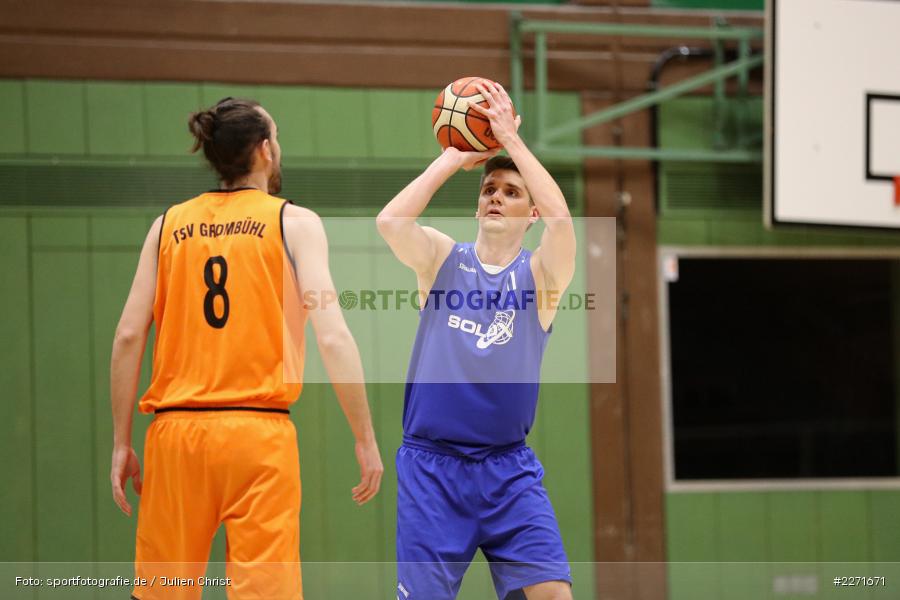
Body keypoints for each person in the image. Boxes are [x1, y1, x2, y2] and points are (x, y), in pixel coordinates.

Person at [110, 97, 383, 600]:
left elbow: (128, 335)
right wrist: (364, 436)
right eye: (275, 138)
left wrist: (121, 441)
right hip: (259, 436)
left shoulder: (167, 225)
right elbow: (333, 335)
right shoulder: (294, 222)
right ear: (262, 150)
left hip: (175, 436)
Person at [377, 81, 576, 600]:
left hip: (507, 470)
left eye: (511, 193)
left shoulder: (540, 278)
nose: (496, 197)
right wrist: (454, 156)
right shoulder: (444, 259)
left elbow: (562, 221)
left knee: (554, 594)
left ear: (529, 216)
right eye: (489, 190)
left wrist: (510, 140)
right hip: (432, 468)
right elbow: (391, 222)